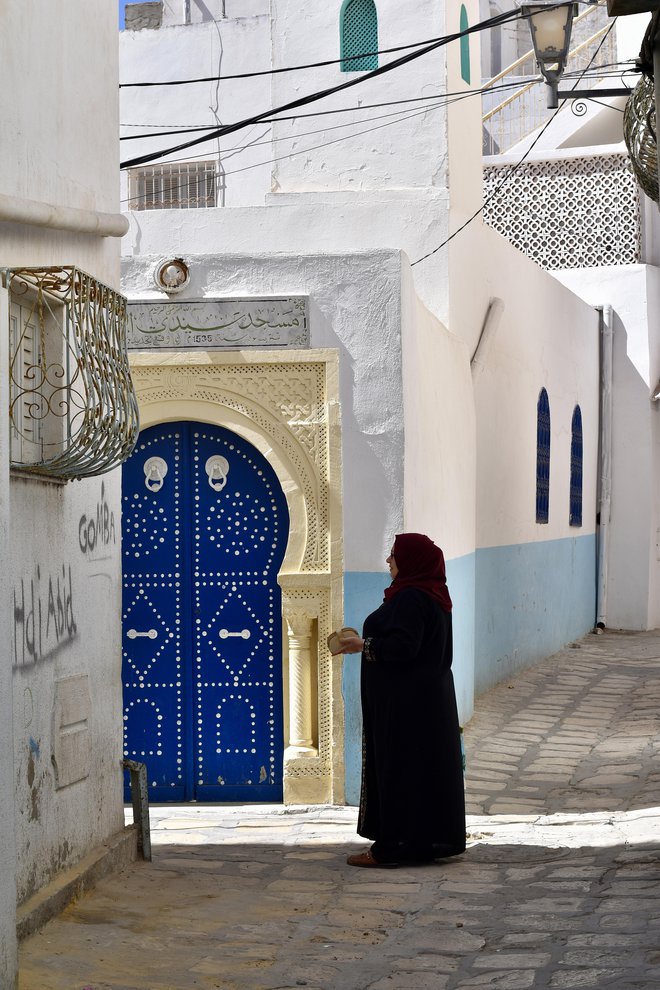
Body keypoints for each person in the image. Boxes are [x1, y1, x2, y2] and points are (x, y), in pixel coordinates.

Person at [337, 533, 466, 868]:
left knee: (399, 768)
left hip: (406, 705)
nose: (389, 560)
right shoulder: (433, 594)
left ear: (411, 561)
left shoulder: (411, 598)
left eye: (393, 555)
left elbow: (404, 648)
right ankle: (417, 844)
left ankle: (391, 847)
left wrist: (361, 646)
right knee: (419, 772)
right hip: (427, 702)